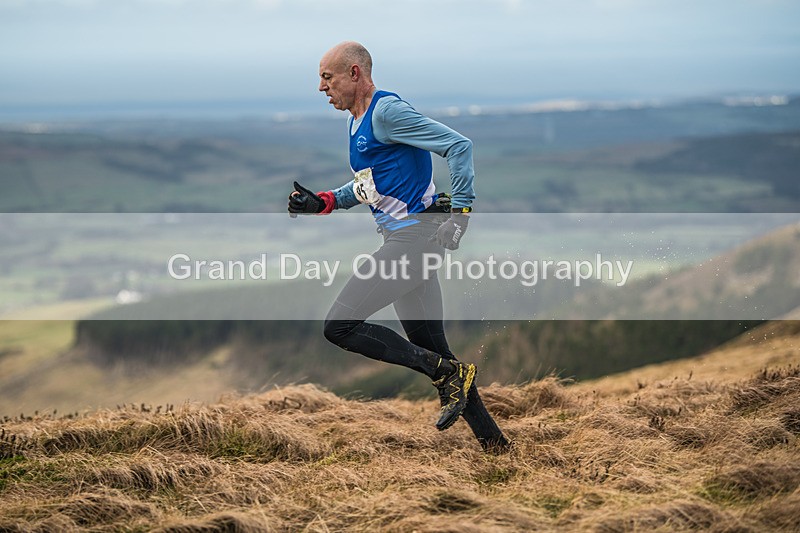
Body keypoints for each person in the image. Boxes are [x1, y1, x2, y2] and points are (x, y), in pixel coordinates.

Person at [288, 41, 508, 451]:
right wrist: (325, 201)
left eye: (326, 77)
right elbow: (374, 184)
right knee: (439, 354)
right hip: (407, 239)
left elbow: (459, 146)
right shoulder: (357, 122)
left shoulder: (386, 112)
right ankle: (497, 448)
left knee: (339, 326)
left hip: (415, 239)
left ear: (354, 73)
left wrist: (460, 212)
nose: (321, 87)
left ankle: (445, 375)